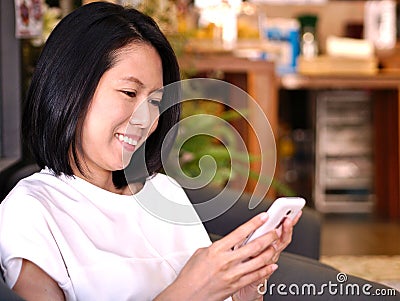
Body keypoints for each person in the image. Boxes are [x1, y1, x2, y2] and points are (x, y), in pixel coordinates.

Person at [0, 2, 299, 300]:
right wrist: (189, 292)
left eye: (156, 102)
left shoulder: (163, 191)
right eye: (129, 93)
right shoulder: (30, 211)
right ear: (70, 87)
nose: (147, 119)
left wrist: (244, 288)